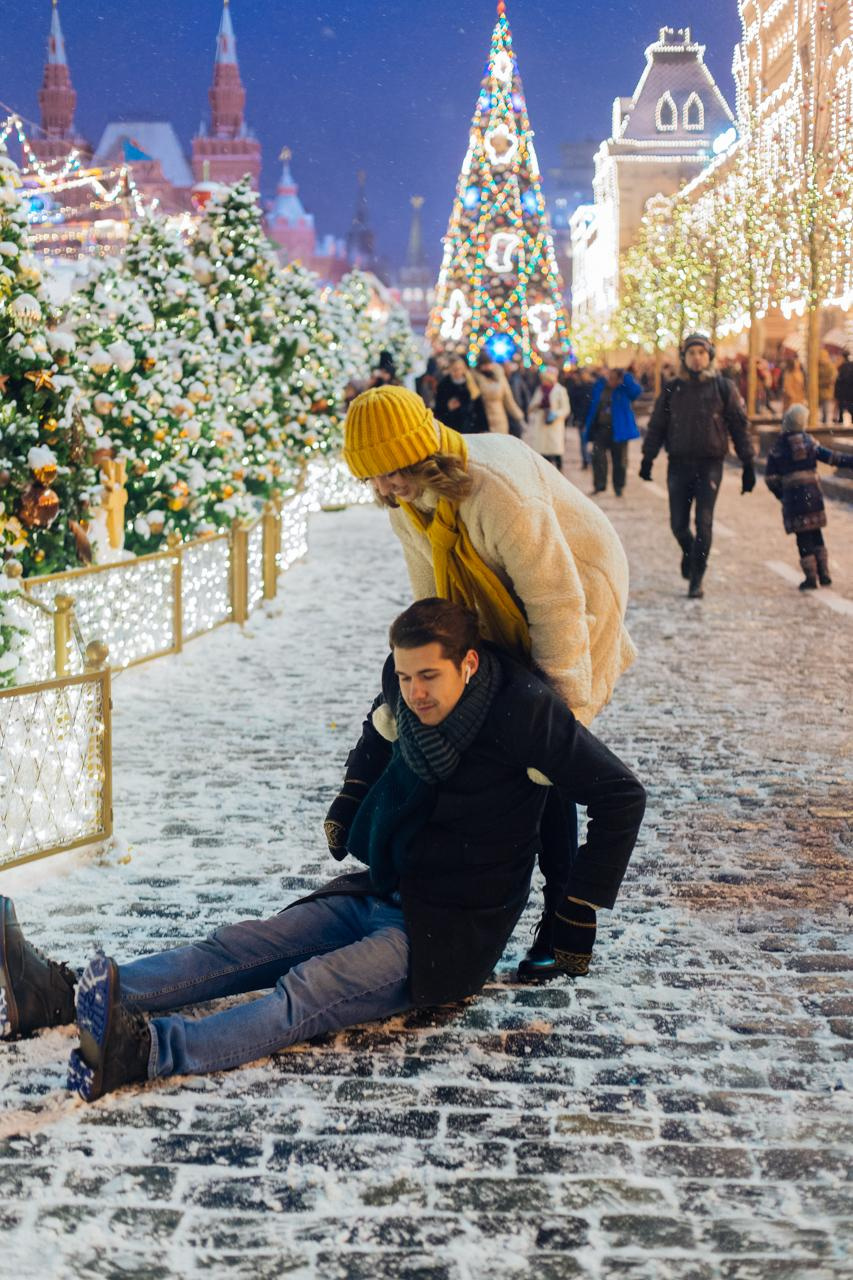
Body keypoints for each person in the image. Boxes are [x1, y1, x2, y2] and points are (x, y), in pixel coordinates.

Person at [0, 600, 646, 1101]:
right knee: (242, 945)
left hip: (449, 927)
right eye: (405, 676)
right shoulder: (400, 686)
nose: (414, 691)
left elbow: (621, 795)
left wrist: (578, 904)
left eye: (429, 676)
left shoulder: (525, 713)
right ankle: (54, 997)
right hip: (381, 887)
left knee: (306, 990)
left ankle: (146, 1054)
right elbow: (373, 736)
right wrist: (348, 802)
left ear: (468, 664)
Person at [342, 384, 638, 979]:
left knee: (546, 760)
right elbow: (432, 603)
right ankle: (556, 916)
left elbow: (556, 601)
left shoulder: (496, 492)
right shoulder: (411, 501)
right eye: (371, 478)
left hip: (578, 591)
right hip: (495, 602)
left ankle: (567, 919)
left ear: (419, 453)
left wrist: (563, 719)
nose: (382, 489)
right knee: (520, 752)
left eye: (390, 473)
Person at [640, 333, 756, 600]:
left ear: (709, 357)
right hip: (678, 464)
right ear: (684, 357)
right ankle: (690, 553)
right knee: (678, 525)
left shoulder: (723, 387)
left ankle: (697, 577)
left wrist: (748, 463)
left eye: (702, 353)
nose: (697, 358)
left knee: (704, 523)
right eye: (692, 353)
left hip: (710, 465)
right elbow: (657, 425)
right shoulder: (672, 388)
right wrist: (648, 458)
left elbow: (739, 427)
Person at [764, 403, 853, 590]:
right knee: (816, 531)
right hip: (813, 496)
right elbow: (833, 458)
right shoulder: (809, 443)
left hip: (793, 498)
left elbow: (770, 478)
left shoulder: (779, 446)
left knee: (803, 537)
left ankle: (811, 577)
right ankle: (824, 573)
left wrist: (781, 494)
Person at [583, 367, 642, 496]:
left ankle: (618, 486)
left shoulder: (624, 389)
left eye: (615, 378)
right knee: (598, 456)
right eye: (610, 377)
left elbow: (636, 391)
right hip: (601, 428)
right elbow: (592, 401)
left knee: (620, 460)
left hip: (619, 430)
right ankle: (600, 485)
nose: (612, 380)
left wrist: (626, 377)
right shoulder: (601, 387)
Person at [525, 364, 570, 469]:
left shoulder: (560, 390)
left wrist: (555, 414)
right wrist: (537, 406)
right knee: (543, 452)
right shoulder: (540, 390)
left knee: (555, 451)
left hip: (554, 424)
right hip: (541, 423)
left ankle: (559, 472)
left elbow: (566, 409)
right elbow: (532, 406)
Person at [472, 350, 525, 435]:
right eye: (484, 365)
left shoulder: (500, 377)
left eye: (488, 364)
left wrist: (519, 417)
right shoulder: (474, 377)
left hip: (500, 421)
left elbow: (508, 399)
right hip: (482, 421)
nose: (486, 367)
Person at [434, 355, 487, 434]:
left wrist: (484, 428)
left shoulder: (471, 382)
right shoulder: (443, 385)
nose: (458, 372)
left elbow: (479, 407)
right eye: (455, 369)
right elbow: (438, 409)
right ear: (449, 370)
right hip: (452, 429)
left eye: (460, 369)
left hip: (472, 428)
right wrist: (447, 407)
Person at [504, 357, 531, 439]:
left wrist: (525, 414)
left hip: (517, 412)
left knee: (516, 437)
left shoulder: (517, 379)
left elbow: (525, 396)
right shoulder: (502, 379)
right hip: (506, 414)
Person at [818, 349, 837, 426]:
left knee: (825, 405)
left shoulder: (829, 366)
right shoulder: (819, 365)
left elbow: (833, 377)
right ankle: (824, 420)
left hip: (825, 388)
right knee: (823, 405)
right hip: (821, 389)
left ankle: (824, 420)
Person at [835, 350, 853, 423]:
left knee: (842, 405)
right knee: (850, 404)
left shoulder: (842, 366)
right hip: (850, 389)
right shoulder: (851, 365)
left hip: (843, 389)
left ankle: (841, 418)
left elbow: (840, 379)